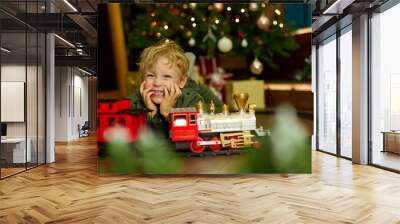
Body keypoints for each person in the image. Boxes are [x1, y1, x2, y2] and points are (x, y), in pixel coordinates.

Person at [130, 40, 222, 137]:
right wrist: (151, 114)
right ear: (142, 78)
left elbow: (198, 136)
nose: (157, 83)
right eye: (150, 76)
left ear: (182, 81)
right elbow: (144, 145)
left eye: (167, 77)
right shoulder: (135, 102)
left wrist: (168, 114)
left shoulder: (191, 100)